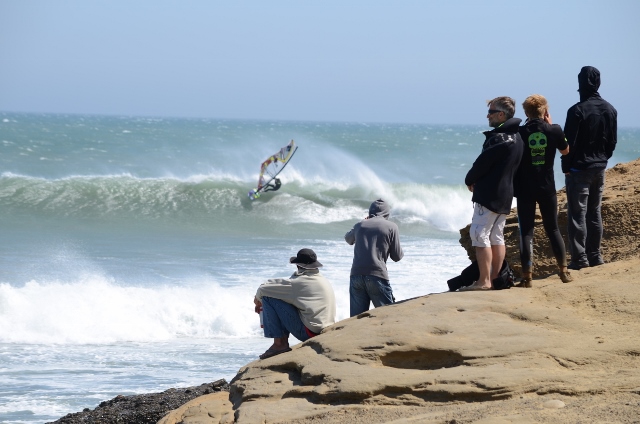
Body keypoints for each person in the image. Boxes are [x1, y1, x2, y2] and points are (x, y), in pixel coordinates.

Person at [462, 97, 523, 291]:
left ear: (501, 115)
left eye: (491, 112)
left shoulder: (500, 138)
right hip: (506, 194)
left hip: (490, 195)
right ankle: (497, 279)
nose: (487, 115)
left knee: (479, 234)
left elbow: (482, 164)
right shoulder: (518, 137)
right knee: (496, 235)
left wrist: (470, 179)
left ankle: (484, 281)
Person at [562, 66, 618, 270]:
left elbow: (568, 144)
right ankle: (595, 256)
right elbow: (612, 142)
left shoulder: (576, 110)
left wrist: (566, 167)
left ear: (580, 84)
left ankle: (580, 259)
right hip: (599, 167)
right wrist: (603, 159)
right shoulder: (610, 109)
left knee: (578, 214)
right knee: (594, 213)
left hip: (579, 169)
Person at [514, 94, 572, 288]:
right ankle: (563, 271)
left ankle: (527, 276)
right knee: (552, 227)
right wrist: (552, 125)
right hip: (547, 186)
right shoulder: (554, 130)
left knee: (526, 231)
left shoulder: (519, 132)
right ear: (545, 111)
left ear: (526, 112)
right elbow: (565, 151)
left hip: (524, 188)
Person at [253, 248, 336, 360]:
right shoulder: (320, 279)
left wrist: (258, 300)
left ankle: (279, 344)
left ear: (297, 265)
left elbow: (263, 289)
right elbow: (287, 284)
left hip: (309, 333)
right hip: (324, 329)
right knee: (282, 296)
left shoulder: (298, 283)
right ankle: (280, 342)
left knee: (269, 297)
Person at [345, 199, 403, 316]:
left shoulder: (359, 225)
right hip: (377, 275)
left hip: (356, 275)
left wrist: (361, 223)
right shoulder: (392, 227)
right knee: (387, 316)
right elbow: (397, 256)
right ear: (387, 213)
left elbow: (348, 239)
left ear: (370, 211)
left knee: (356, 320)